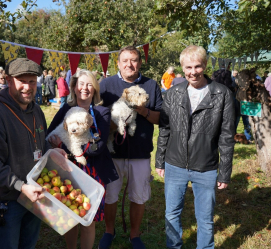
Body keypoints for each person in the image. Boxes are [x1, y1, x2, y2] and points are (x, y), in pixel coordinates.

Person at [0, 58, 67, 249]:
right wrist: (20, 185)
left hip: (34, 196)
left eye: (32, 81)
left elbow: (39, 144)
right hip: (7, 202)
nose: (27, 87)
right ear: (9, 81)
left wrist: (52, 152)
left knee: (28, 245)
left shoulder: (36, 111)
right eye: (22, 81)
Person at [155, 45, 235, 249]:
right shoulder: (173, 93)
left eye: (197, 66)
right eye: (188, 67)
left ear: (205, 65)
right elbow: (164, 128)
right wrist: (160, 160)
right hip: (175, 164)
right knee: (171, 213)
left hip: (206, 166)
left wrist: (224, 172)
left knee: (206, 219)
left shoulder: (222, 93)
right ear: (182, 68)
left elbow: (226, 136)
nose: (193, 72)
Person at [98, 46, 162, 249]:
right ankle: (109, 231)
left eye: (133, 60)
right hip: (112, 153)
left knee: (138, 195)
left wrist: (143, 111)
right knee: (110, 195)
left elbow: (159, 117)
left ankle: (135, 235)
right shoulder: (106, 85)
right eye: (125, 60)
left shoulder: (151, 85)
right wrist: (114, 125)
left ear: (140, 63)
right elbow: (97, 117)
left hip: (140, 152)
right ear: (118, 63)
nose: (129, 64)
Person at [47, 69, 119, 249]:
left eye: (89, 85)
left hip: (93, 172)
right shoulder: (66, 109)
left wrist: (63, 147)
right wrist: (64, 148)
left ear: (94, 89)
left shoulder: (101, 112)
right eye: (81, 84)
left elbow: (98, 148)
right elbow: (50, 136)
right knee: (70, 215)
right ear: (74, 88)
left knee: (88, 219)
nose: (84, 88)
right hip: (69, 170)